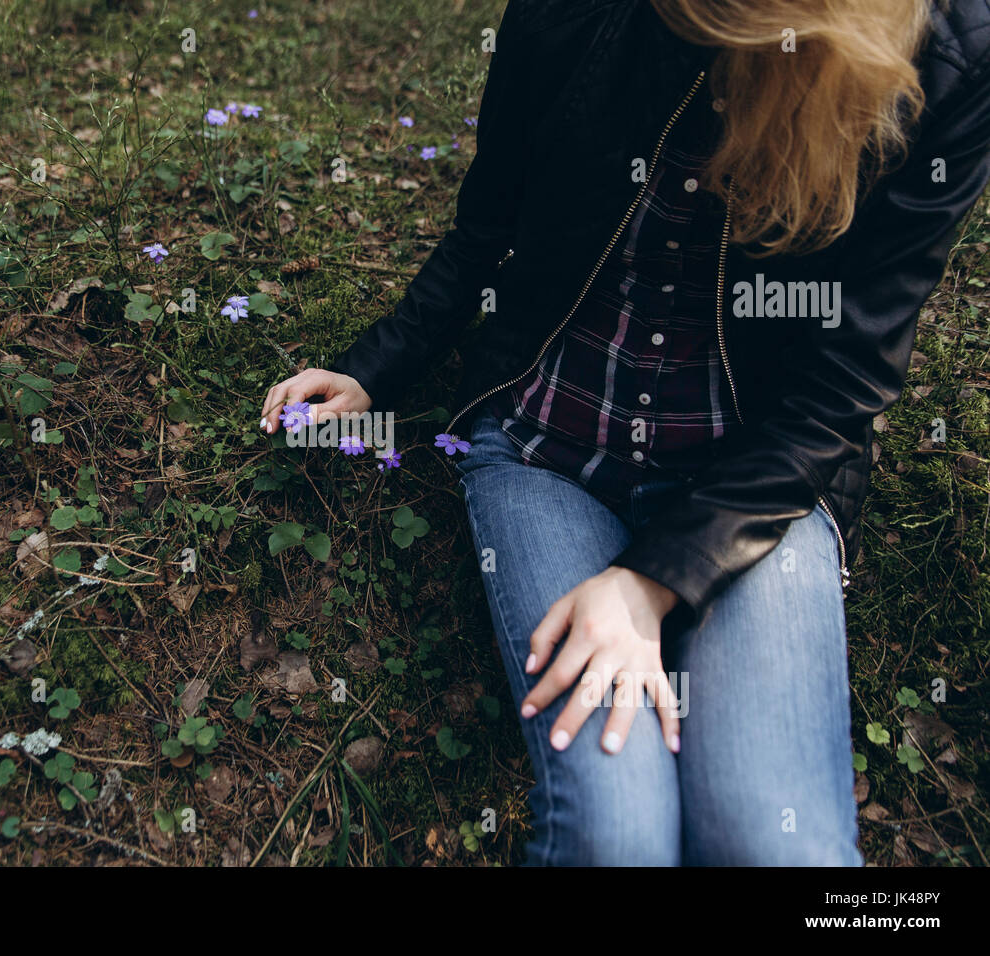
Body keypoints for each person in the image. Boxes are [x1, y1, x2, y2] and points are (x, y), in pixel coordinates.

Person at [259, 0, 990, 865]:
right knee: (617, 836)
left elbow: (845, 386)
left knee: (770, 839)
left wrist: (650, 584)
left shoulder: (950, 54)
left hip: (760, 478)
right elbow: (488, 222)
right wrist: (378, 368)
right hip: (545, 448)